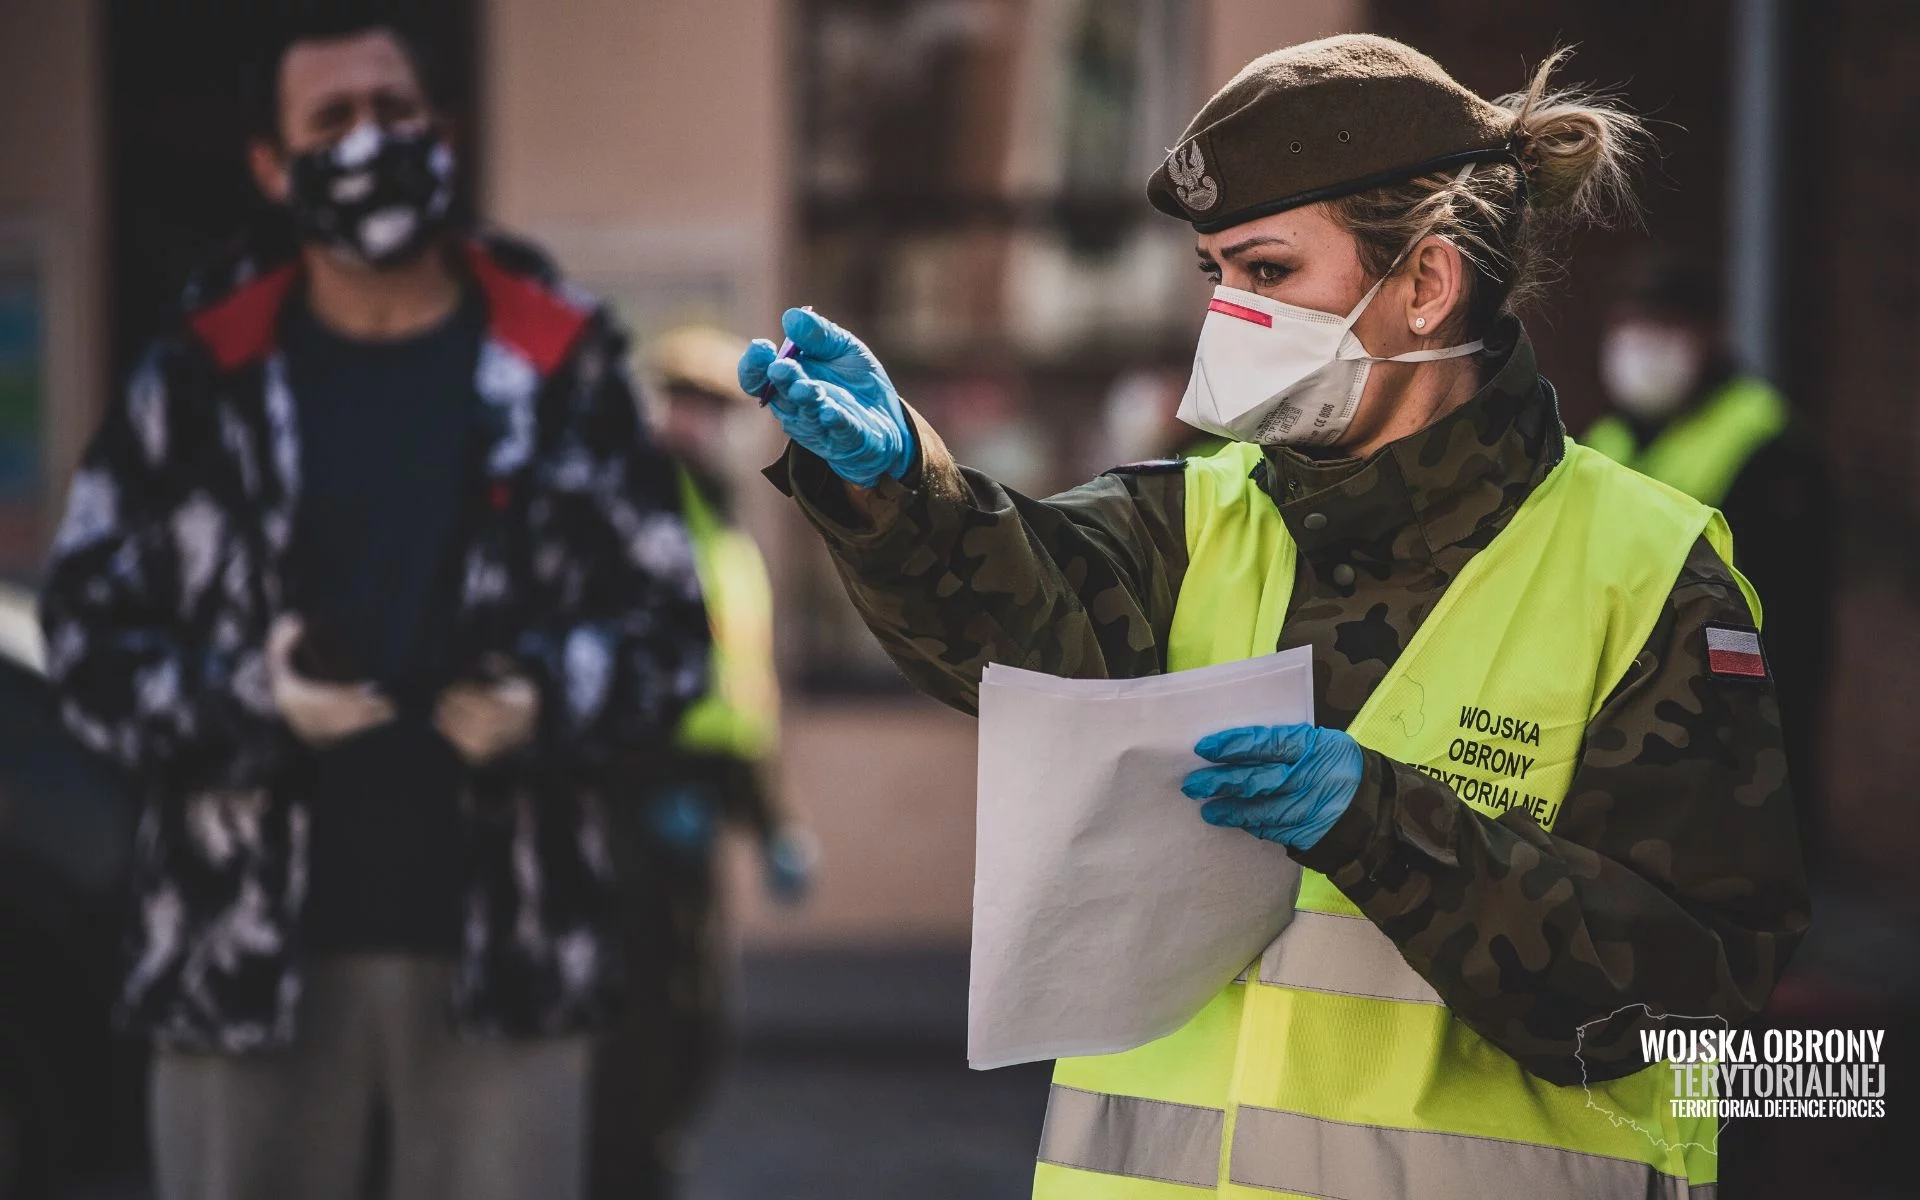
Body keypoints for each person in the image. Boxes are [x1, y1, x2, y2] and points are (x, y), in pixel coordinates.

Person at [743, 35, 1808, 1200]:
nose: (1226, 314)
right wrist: (903, 492)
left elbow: (1701, 1016)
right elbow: (1019, 620)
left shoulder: (1645, 577)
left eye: (1266, 274)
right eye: (1215, 275)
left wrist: (1382, 824)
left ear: (1426, 284)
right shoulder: (1197, 520)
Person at [39, 15, 710, 1200]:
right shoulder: (198, 376)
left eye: (396, 112)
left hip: (511, 956)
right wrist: (253, 702)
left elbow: (670, 637)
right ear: (270, 164)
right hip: (239, 960)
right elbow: (86, 645)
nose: (373, 143)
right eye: (332, 120)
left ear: (441, 132)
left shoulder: (560, 361)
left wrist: (546, 700)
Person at [590, 325, 816, 1198]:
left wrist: (776, 822)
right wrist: (636, 782)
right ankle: (625, 1173)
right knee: (640, 1024)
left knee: (696, 1022)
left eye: (718, 410)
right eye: (686, 405)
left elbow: (740, 693)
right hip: (633, 804)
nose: (701, 425)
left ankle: (651, 1157)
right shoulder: (632, 511)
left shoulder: (722, 523)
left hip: (701, 799)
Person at [1586, 251, 1831, 852]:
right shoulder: (1603, 441)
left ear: (1710, 334)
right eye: (1631, 326)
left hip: (1726, 736)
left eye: (1664, 327)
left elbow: (1790, 624)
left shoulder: (1768, 444)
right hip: (1620, 736)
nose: (1643, 347)